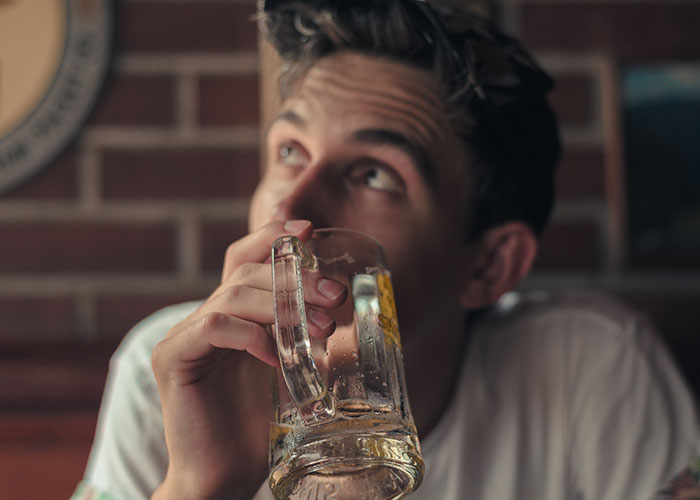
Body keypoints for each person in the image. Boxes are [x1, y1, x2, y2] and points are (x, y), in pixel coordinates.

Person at [72, 1, 699, 499]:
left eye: (374, 174)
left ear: (489, 265)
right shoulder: (173, 372)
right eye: (290, 152)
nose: (288, 209)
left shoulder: (591, 365)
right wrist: (199, 489)